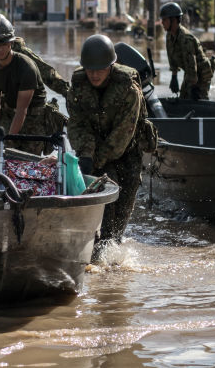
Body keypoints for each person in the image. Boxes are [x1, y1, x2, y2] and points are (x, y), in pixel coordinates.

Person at [67, 34, 157, 257]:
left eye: (100, 69)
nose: (94, 75)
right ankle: (96, 259)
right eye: (90, 70)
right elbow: (77, 124)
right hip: (96, 149)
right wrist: (86, 154)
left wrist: (94, 159)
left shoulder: (128, 87)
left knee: (121, 216)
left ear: (111, 65)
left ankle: (114, 265)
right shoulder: (78, 86)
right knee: (103, 210)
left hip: (127, 152)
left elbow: (123, 134)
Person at [0, 17, 65, 156]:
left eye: (3, 44)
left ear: (10, 43)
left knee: (28, 162)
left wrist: (9, 140)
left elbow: (22, 110)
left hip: (34, 118)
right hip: (10, 114)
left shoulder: (26, 67)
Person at [0, 13, 70, 119]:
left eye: (2, 41)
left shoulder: (18, 50)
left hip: (21, 108)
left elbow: (45, 72)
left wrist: (66, 91)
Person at [160, 1, 213, 99]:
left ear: (174, 20)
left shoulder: (185, 39)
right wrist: (174, 76)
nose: (162, 22)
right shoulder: (169, 35)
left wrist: (193, 88)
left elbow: (192, 66)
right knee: (183, 98)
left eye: (165, 20)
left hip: (201, 72)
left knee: (198, 101)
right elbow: (171, 56)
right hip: (190, 73)